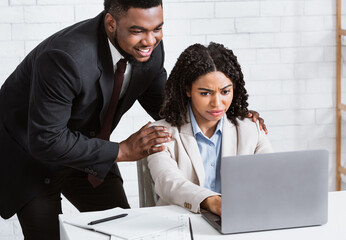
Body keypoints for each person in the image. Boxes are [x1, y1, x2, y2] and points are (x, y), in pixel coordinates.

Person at [0, 1, 265, 239]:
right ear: (111, 23)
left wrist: (233, 115)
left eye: (157, 28)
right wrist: (122, 151)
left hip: (87, 150)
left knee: (123, 229)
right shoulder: (64, 58)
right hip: (31, 157)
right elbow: (46, 140)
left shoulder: (148, 52)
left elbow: (170, 109)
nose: (150, 40)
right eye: (138, 30)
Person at [147, 42, 273, 217]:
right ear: (188, 90)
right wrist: (213, 202)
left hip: (238, 219)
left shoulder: (251, 129)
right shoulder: (159, 133)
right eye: (205, 93)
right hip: (180, 223)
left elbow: (271, 176)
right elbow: (168, 183)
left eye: (225, 92)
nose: (217, 103)